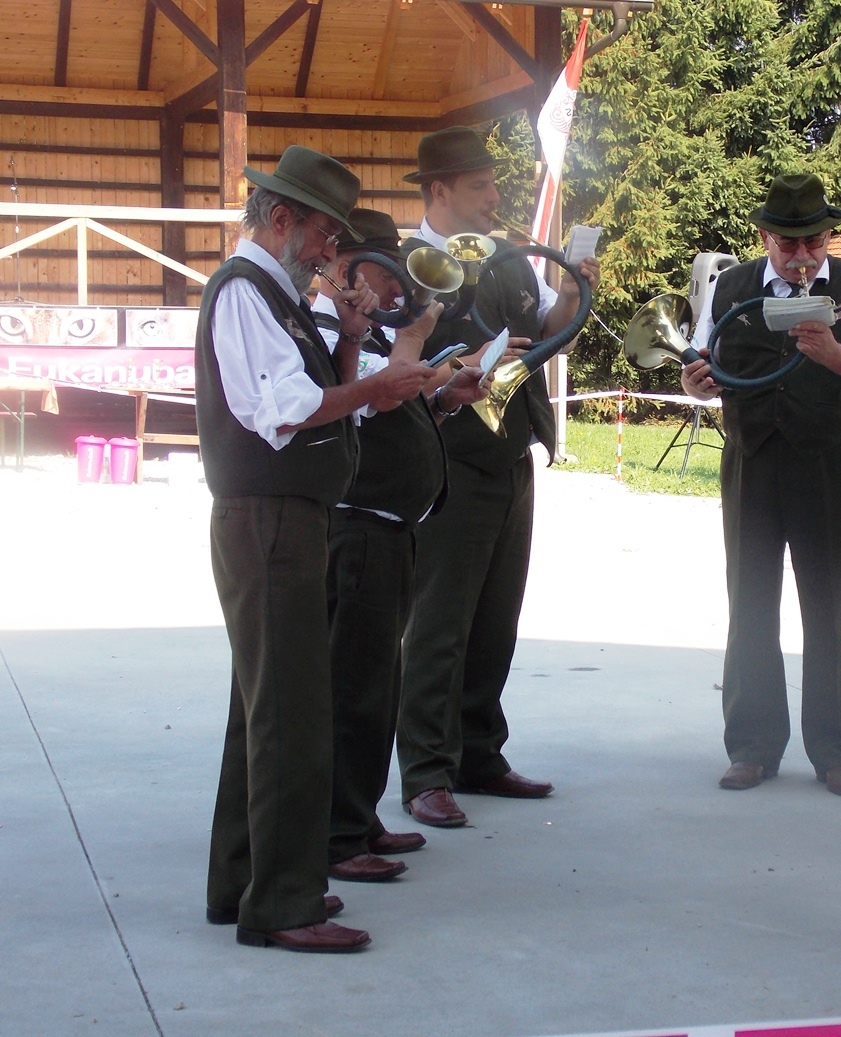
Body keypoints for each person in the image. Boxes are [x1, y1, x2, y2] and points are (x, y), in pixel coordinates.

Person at [198, 147, 434, 952]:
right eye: (326, 232)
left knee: (264, 710)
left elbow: (313, 395)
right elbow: (284, 409)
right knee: (289, 714)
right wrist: (375, 384)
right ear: (281, 219)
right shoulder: (245, 289)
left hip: (283, 517)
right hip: (268, 518)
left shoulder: (276, 294)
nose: (331, 249)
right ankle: (282, 902)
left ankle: (246, 882)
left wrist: (352, 344)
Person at [394, 126, 599, 827]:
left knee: (494, 618)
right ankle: (426, 771)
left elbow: (552, 326)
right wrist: (472, 360)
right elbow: (394, 362)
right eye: (479, 185)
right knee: (439, 621)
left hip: (510, 456)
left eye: (492, 184)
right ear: (439, 190)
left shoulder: (510, 260)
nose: (493, 196)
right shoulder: (407, 267)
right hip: (448, 458)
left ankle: (479, 753)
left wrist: (573, 289)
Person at [681, 173, 841, 797]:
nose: (803, 256)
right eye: (788, 243)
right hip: (752, 458)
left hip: (827, 460)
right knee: (750, 601)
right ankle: (752, 747)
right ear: (764, 237)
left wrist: (834, 354)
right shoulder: (730, 287)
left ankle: (837, 752)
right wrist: (695, 384)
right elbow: (700, 362)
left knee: (830, 607)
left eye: (814, 242)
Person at [310, 208, 491, 882]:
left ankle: (358, 816)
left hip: (389, 527)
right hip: (356, 525)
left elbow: (394, 411)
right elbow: (366, 401)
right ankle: (338, 833)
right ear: (343, 269)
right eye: (381, 272)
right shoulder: (328, 326)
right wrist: (414, 343)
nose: (394, 288)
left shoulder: (369, 331)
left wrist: (444, 399)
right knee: (353, 689)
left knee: (377, 687)